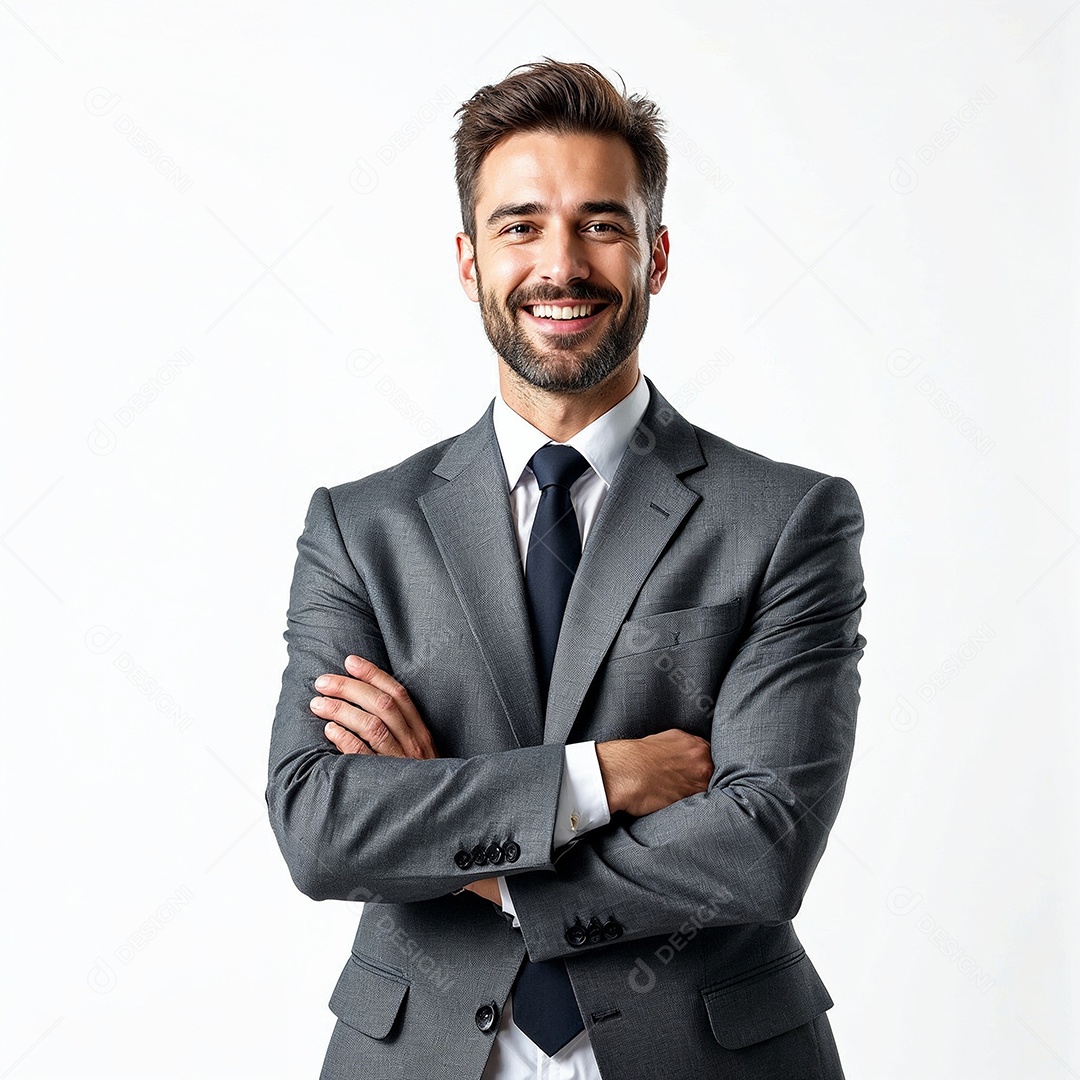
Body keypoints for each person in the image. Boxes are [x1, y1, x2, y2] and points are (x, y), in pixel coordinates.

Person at [266, 58, 866, 1080]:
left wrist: (460, 840)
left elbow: (762, 846)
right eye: (520, 226)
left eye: (601, 223)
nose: (562, 263)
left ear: (656, 255)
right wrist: (606, 777)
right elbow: (321, 827)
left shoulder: (789, 519)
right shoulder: (362, 528)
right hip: (419, 1051)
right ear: (468, 261)